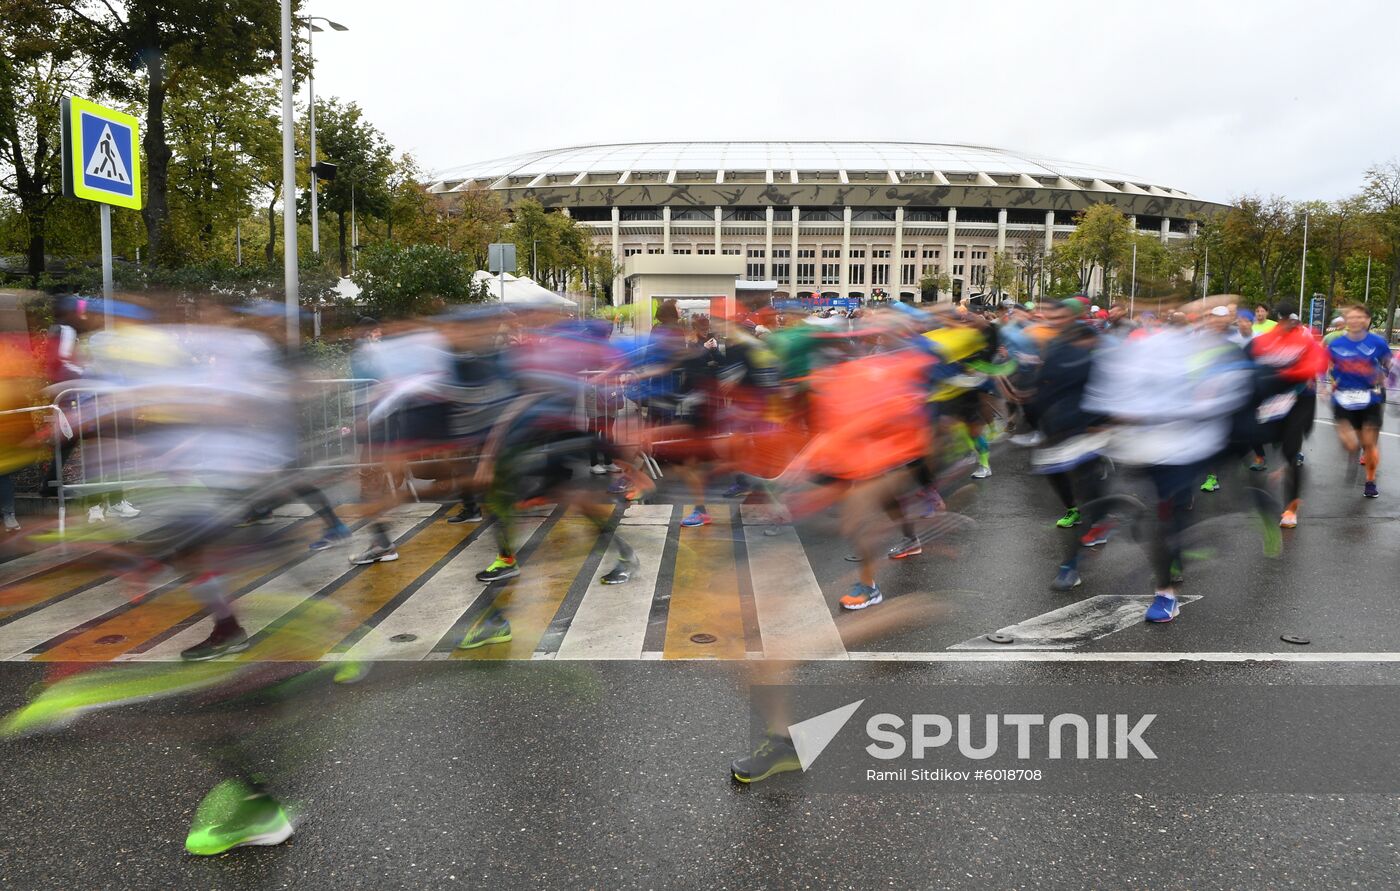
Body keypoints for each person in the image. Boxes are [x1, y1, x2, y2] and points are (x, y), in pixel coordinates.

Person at [1246, 302, 1328, 527]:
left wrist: (1282, 373)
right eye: (1285, 320)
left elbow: (1315, 364)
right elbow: (1245, 364)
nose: (1289, 325)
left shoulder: (1305, 339)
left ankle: (1290, 507)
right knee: (1256, 437)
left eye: (1293, 321)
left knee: (1292, 450)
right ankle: (1279, 466)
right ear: (1279, 319)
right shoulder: (1264, 341)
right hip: (1274, 400)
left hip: (1301, 399)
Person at [1326, 303, 1390, 498]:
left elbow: (1389, 364)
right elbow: (1329, 366)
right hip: (1343, 397)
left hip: (1371, 397)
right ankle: (1353, 451)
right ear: (1346, 321)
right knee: (1351, 443)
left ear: (1367, 320)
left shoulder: (1377, 343)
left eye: (1359, 317)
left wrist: (1382, 375)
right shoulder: (1336, 344)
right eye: (1351, 317)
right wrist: (1332, 381)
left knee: (1369, 444)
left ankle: (1370, 480)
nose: (1354, 321)